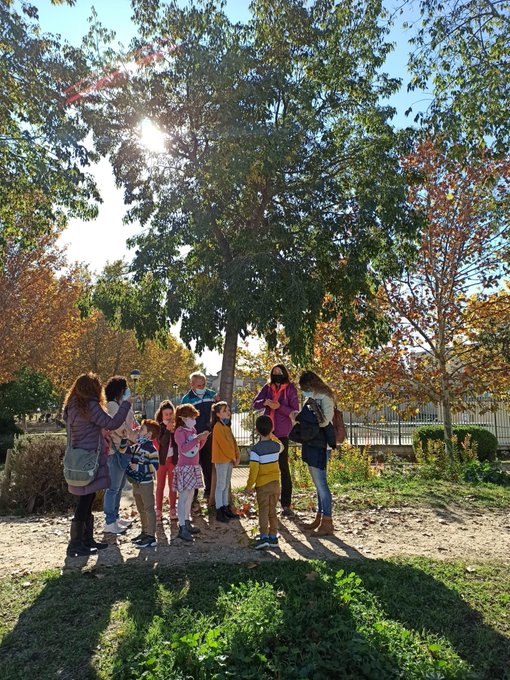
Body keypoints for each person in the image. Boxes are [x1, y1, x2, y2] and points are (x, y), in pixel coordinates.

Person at [63, 372, 132, 557]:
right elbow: (112, 423)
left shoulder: (72, 406)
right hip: (90, 459)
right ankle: (76, 544)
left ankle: (87, 540)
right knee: (86, 500)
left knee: (88, 498)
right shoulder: (90, 405)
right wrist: (126, 404)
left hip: (78, 458)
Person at [252, 364, 299, 516]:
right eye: (274, 373)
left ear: (285, 373)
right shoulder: (267, 387)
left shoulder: (290, 389)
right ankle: (266, 500)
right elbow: (255, 404)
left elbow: (295, 410)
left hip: (282, 433)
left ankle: (286, 504)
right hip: (267, 432)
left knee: (283, 467)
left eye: (280, 372)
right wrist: (265, 402)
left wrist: (279, 407)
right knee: (264, 466)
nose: (277, 375)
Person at [295, 370, 336, 536]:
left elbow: (325, 420)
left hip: (321, 445)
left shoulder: (325, 397)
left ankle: (327, 521)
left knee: (322, 484)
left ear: (311, 385)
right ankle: (319, 517)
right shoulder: (310, 398)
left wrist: (309, 416)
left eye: (305, 387)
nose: (304, 391)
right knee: (318, 485)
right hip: (311, 443)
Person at [103, 375, 139, 534]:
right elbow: (121, 428)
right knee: (113, 488)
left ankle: (115, 518)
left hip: (124, 450)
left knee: (119, 487)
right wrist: (134, 435)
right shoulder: (111, 405)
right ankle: (109, 521)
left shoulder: (124, 405)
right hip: (115, 452)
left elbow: (131, 424)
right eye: (125, 388)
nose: (127, 391)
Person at [245, 415, 283, 550]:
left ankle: (263, 537)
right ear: (271, 429)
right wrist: (273, 435)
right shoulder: (276, 446)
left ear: (257, 430)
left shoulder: (256, 450)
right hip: (275, 484)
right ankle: (273, 536)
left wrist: (249, 486)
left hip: (262, 484)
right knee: (273, 510)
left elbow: (254, 471)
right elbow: (282, 446)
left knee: (263, 511)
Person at [173, 404, 209, 541]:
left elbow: (196, 448)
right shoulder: (179, 432)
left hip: (193, 466)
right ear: (183, 418)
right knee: (183, 497)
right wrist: (196, 439)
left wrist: (202, 439)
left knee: (190, 496)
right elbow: (183, 448)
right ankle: (181, 526)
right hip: (184, 467)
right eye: (192, 417)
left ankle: (187, 522)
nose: (194, 419)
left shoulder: (192, 429)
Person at [180, 372, 216, 502]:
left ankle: (208, 492)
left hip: (209, 435)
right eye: (199, 385)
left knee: (208, 464)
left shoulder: (212, 395)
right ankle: (193, 496)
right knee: (194, 466)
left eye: (204, 384)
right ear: (192, 385)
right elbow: (182, 419)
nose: (202, 387)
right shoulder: (186, 399)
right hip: (194, 438)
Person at [127, 419, 161, 549]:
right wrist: (126, 437)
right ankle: (144, 532)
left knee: (148, 509)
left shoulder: (151, 449)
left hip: (146, 483)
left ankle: (151, 536)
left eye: (141, 429)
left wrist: (139, 468)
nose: (138, 430)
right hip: (136, 482)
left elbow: (155, 466)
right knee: (141, 508)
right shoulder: (137, 446)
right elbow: (125, 450)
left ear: (149, 435)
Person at [211, 401, 240, 523]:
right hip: (222, 460)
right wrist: (233, 457)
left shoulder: (226, 426)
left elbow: (233, 443)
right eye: (224, 410)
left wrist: (237, 456)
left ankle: (226, 508)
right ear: (218, 414)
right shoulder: (217, 427)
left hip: (229, 459)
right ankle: (219, 510)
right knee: (221, 486)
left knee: (226, 485)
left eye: (228, 410)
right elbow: (224, 445)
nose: (228, 412)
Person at [155, 400, 177, 521]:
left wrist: (174, 431)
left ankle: (172, 509)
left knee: (173, 486)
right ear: (162, 415)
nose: (168, 417)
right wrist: (168, 431)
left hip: (172, 460)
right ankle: (158, 509)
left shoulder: (176, 426)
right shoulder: (159, 427)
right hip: (161, 461)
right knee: (160, 486)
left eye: (170, 414)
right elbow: (162, 442)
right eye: (166, 414)